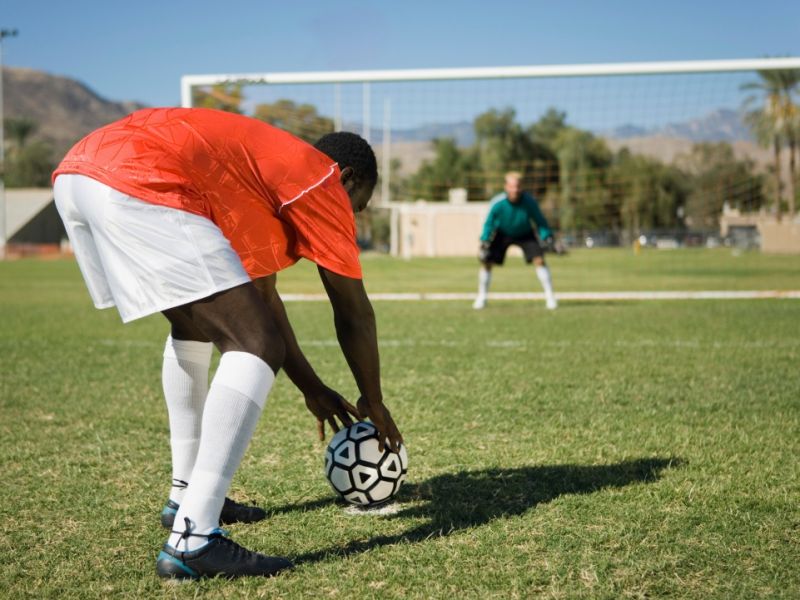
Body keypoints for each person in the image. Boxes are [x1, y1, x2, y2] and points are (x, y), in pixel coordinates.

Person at [52, 107, 403, 580]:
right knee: (255, 345)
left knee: (196, 327)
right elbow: (353, 310)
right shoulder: (318, 179)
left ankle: (185, 496)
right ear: (347, 178)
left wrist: (312, 388)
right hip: (135, 177)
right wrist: (374, 401)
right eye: (356, 205)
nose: (350, 218)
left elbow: (262, 299)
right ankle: (194, 539)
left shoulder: (257, 178)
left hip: (80, 172)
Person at [473, 171, 558, 310]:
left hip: (525, 233)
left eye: (517, 186)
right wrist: (484, 240)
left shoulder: (529, 202)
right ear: (506, 187)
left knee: (540, 260)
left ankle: (550, 297)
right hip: (503, 233)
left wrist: (546, 236)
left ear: (521, 187)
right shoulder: (498, 202)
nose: (515, 190)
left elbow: (539, 221)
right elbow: (489, 223)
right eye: (512, 186)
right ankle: (481, 297)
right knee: (486, 262)